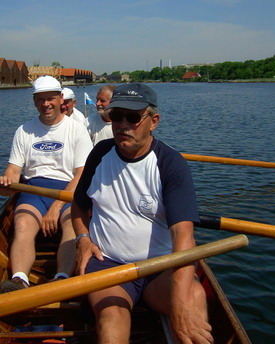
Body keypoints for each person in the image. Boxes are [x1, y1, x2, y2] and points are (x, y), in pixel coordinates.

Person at [71, 83, 213, 344]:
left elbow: (183, 235)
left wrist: (181, 308)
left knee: (194, 298)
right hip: (108, 264)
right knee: (112, 317)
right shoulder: (100, 153)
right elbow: (78, 206)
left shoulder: (170, 164)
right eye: (116, 116)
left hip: (160, 269)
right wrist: (82, 239)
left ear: (153, 121)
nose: (122, 124)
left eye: (133, 117)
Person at [0, 75, 93, 293]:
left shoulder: (77, 130)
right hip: (33, 191)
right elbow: (13, 170)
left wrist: (56, 207)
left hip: (68, 191)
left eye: (50, 99)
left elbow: (81, 176)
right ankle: (19, 279)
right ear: (34, 101)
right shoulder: (24, 131)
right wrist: (6, 183)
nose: (46, 104)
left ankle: (62, 277)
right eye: (40, 99)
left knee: (71, 227)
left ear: (60, 99)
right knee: (22, 224)